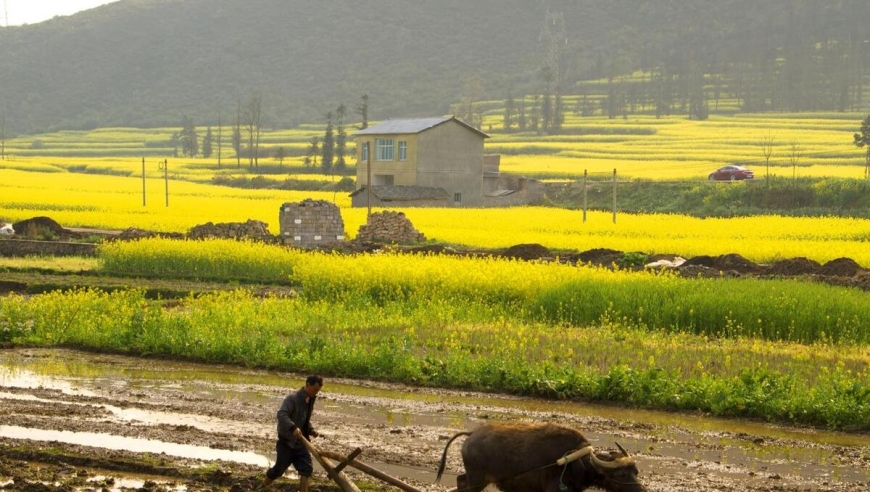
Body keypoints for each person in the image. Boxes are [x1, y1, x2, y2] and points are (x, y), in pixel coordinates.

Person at [263, 374, 324, 490]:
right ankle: (262, 486)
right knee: (278, 470)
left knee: (306, 469)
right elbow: (281, 414)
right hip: (287, 442)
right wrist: (293, 428)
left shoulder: (309, 400)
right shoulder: (292, 398)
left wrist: (311, 430)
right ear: (307, 385)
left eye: (318, 390)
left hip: (301, 442)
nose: (316, 393)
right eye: (315, 389)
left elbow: (303, 419)